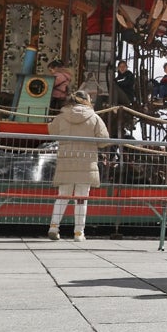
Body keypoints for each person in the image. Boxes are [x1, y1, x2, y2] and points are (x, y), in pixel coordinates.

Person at [46, 90, 110, 241]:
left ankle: (54, 227)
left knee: (62, 196)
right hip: (86, 162)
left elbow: (52, 132)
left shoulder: (61, 117)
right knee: (81, 199)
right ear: (87, 100)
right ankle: (78, 233)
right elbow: (104, 141)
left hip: (66, 161)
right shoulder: (94, 118)